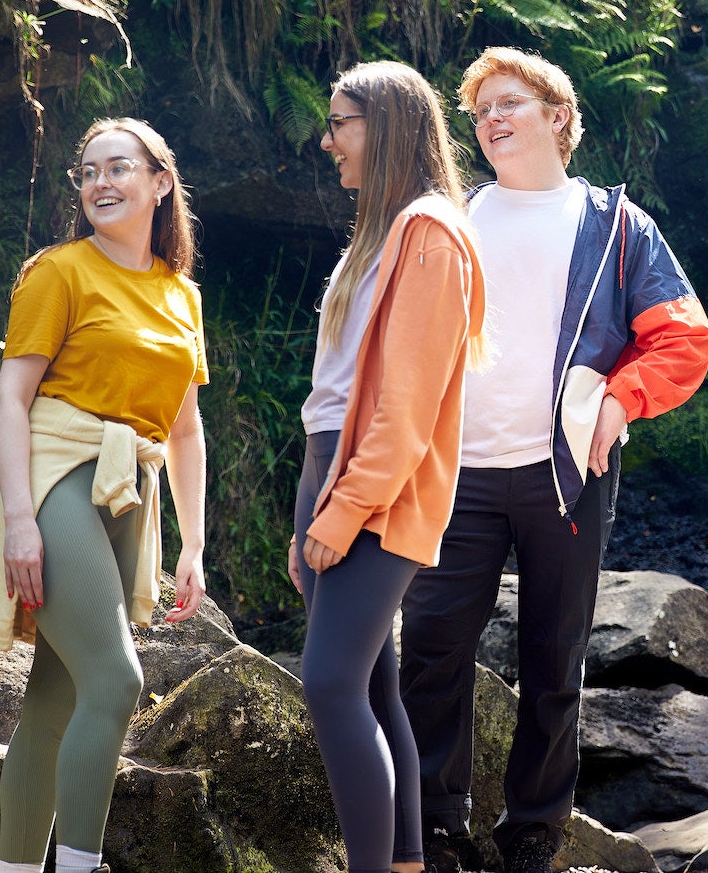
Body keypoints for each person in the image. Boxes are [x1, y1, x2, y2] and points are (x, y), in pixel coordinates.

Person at [399, 47, 708, 873]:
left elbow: (684, 337)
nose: (491, 120)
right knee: (429, 642)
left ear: (558, 116)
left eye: (509, 103)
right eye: (481, 111)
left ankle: (534, 832)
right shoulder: (454, 216)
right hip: (458, 471)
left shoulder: (616, 224)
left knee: (553, 656)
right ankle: (435, 827)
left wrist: (620, 399)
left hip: (567, 473)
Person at [0, 117, 211, 873]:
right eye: (87, 171)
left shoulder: (181, 294)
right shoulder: (58, 272)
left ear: (161, 181)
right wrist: (21, 519)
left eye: (118, 167)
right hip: (58, 475)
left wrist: (193, 544)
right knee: (116, 681)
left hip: (128, 489)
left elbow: (184, 429)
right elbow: (11, 397)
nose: (99, 183)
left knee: (55, 699)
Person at [290, 60, 490, 873]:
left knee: (330, 684)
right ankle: (406, 863)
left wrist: (344, 509)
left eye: (340, 123)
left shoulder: (431, 234)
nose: (327, 140)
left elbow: (405, 407)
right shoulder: (380, 233)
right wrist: (311, 504)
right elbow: (333, 396)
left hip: (378, 488)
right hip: (332, 471)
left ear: (388, 126)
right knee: (372, 687)